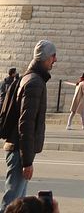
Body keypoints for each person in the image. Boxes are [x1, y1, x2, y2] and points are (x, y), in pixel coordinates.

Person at [1, 39, 57, 213]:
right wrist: (27, 161)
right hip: (19, 150)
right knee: (12, 204)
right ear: (46, 58)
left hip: (17, 148)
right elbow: (26, 124)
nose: (55, 60)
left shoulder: (28, 78)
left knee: (19, 203)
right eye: (53, 56)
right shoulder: (34, 82)